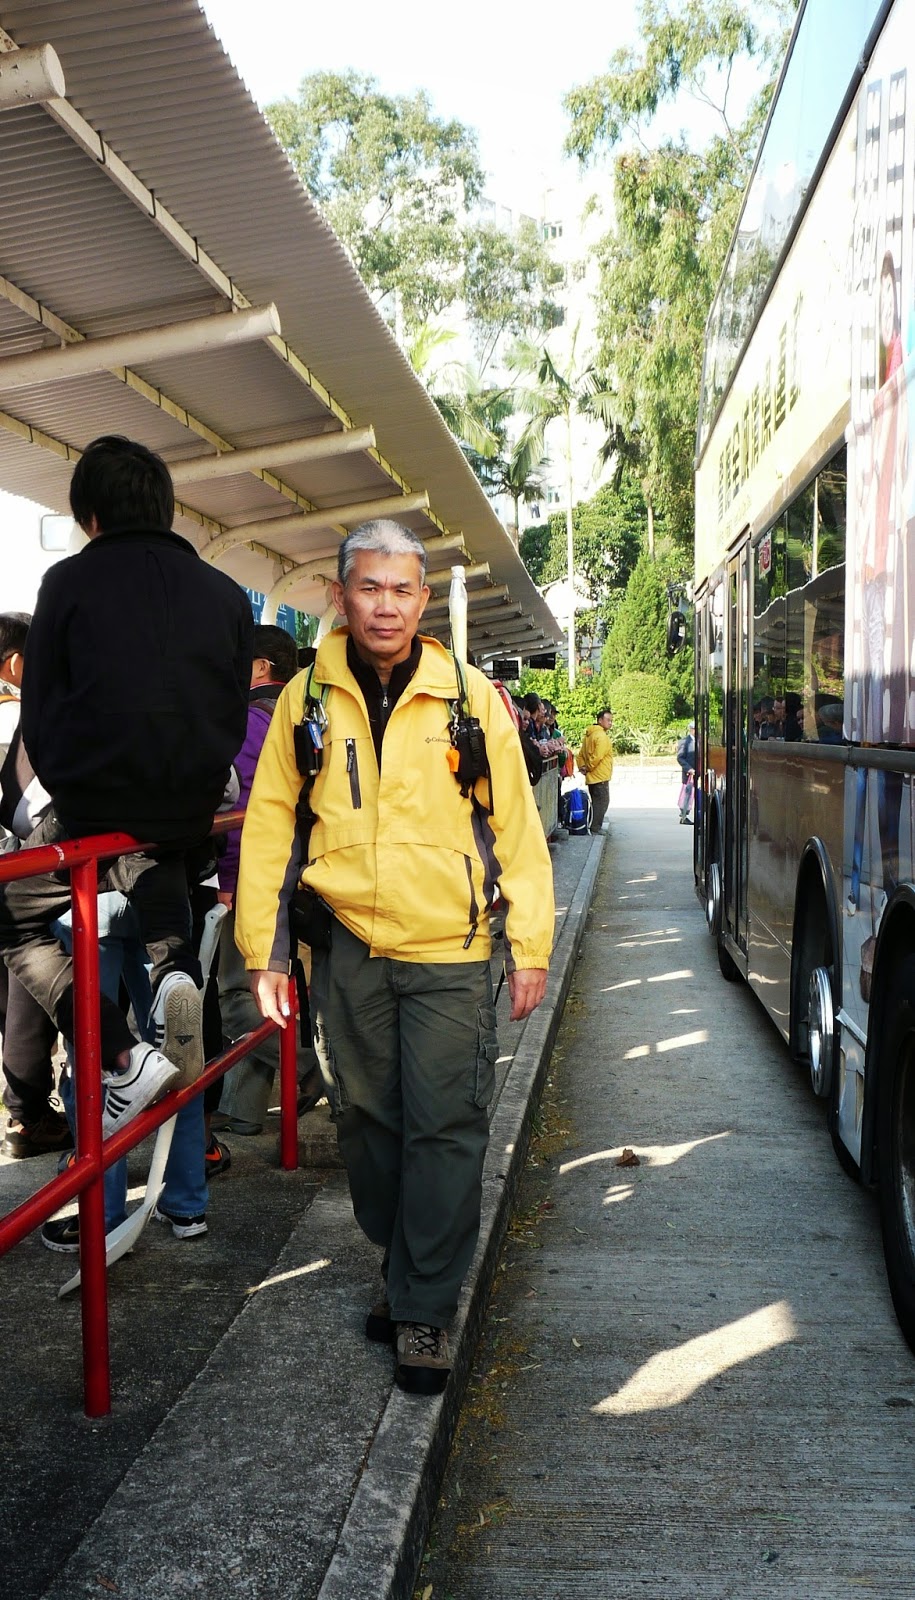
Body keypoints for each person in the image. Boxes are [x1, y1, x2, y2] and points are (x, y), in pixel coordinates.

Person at [236, 519, 554, 1395]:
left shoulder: (467, 698)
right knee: (367, 1126)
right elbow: (270, 827)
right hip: (348, 949)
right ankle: (403, 1262)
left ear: (422, 599)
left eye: (402, 589)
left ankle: (424, 1306)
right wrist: (265, 951)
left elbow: (516, 829)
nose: (386, 605)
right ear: (340, 596)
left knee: (446, 1126)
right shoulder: (305, 698)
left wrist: (528, 945)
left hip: (452, 948)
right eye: (369, 588)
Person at [0, 435, 253, 1135]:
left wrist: (75, 786)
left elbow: (40, 712)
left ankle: (121, 1052)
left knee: (13, 918)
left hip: (96, 804)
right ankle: (175, 973)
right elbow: (231, 705)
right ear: (166, 508)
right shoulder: (226, 594)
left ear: (89, 514)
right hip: (189, 808)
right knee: (153, 853)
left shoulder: (67, 584)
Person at [212, 623, 322, 1136]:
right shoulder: (307, 712)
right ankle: (244, 1109)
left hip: (255, 879)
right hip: (309, 875)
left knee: (239, 997)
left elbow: (242, 809)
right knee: (280, 987)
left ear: (259, 667)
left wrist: (230, 878)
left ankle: (312, 1069)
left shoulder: (244, 721)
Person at [0, 613, 70, 1157]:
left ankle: (26, 1112)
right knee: (27, 982)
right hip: (24, 866)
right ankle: (28, 1115)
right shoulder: (22, 716)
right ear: (18, 663)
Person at [576, 708, 614, 833]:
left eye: (611, 720)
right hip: (600, 775)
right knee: (602, 802)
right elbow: (598, 756)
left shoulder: (589, 735)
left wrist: (582, 767)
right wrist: (588, 767)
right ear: (600, 720)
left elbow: (580, 755)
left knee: (596, 801)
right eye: (608, 720)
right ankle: (595, 828)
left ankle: (593, 825)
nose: (610, 723)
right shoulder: (601, 736)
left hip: (591, 776)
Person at [676, 722, 695, 824]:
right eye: (694, 729)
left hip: (699, 773)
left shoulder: (700, 741)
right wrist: (689, 769)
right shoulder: (684, 742)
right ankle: (684, 816)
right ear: (691, 729)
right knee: (687, 795)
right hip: (689, 774)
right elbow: (680, 758)